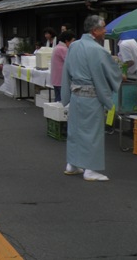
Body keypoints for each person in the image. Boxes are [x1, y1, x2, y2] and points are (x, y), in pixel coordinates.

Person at [61, 15, 121, 181]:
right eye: (103, 28)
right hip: (92, 97)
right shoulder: (98, 50)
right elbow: (111, 72)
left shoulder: (74, 46)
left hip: (75, 95)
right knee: (92, 133)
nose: (105, 31)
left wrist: (65, 95)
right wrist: (119, 74)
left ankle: (72, 164)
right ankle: (90, 170)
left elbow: (66, 70)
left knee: (75, 131)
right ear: (95, 31)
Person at [50, 30, 75, 103]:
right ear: (67, 41)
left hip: (57, 79)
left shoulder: (58, 47)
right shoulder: (63, 49)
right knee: (62, 102)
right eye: (72, 41)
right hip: (61, 80)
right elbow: (72, 62)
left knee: (58, 100)